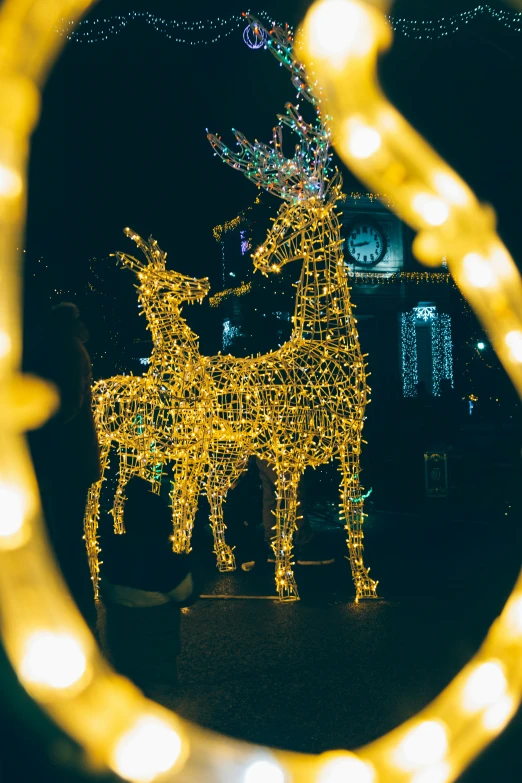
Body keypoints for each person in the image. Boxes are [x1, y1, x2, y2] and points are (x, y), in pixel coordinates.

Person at [28, 302, 100, 630]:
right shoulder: (68, 347)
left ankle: (76, 613)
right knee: (65, 538)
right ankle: (76, 611)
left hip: (63, 462)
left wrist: (35, 427)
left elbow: (68, 405)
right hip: (71, 460)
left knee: (64, 539)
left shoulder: (62, 350)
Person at [99, 475, 195, 700]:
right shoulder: (166, 562)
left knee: (126, 687)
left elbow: (106, 589)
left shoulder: (115, 554)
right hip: (158, 646)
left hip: (121, 641)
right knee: (159, 691)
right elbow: (185, 594)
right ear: (163, 527)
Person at [241, 457, 335, 570]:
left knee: (271, 498)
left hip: (262, 449)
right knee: (294, 493)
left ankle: (273, 546)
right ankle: (304, 544)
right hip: (280, 450)